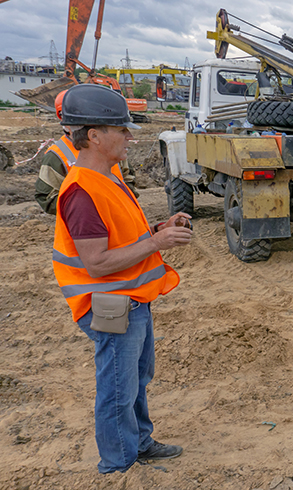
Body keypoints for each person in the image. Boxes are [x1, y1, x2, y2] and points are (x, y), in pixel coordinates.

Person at [52, 84, 193, 473]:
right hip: (110, 303)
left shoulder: (108, 176)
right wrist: (158, 242)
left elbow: (121, 234)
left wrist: (158, 228)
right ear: (94, 136)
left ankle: (139, 442)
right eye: (122, 129)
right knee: (118, 386)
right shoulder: (81, 191)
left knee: (136, 378)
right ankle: (118, 465)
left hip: (132, 298)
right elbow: (96, 263)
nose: (130, 136)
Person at [35, 89, 137, 215]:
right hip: (85, 221)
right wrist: (86, 207)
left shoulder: (113, 148)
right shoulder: (57, 155)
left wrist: (121, 200)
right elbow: (47, 198)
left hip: (120, 214)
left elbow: (128, 178)